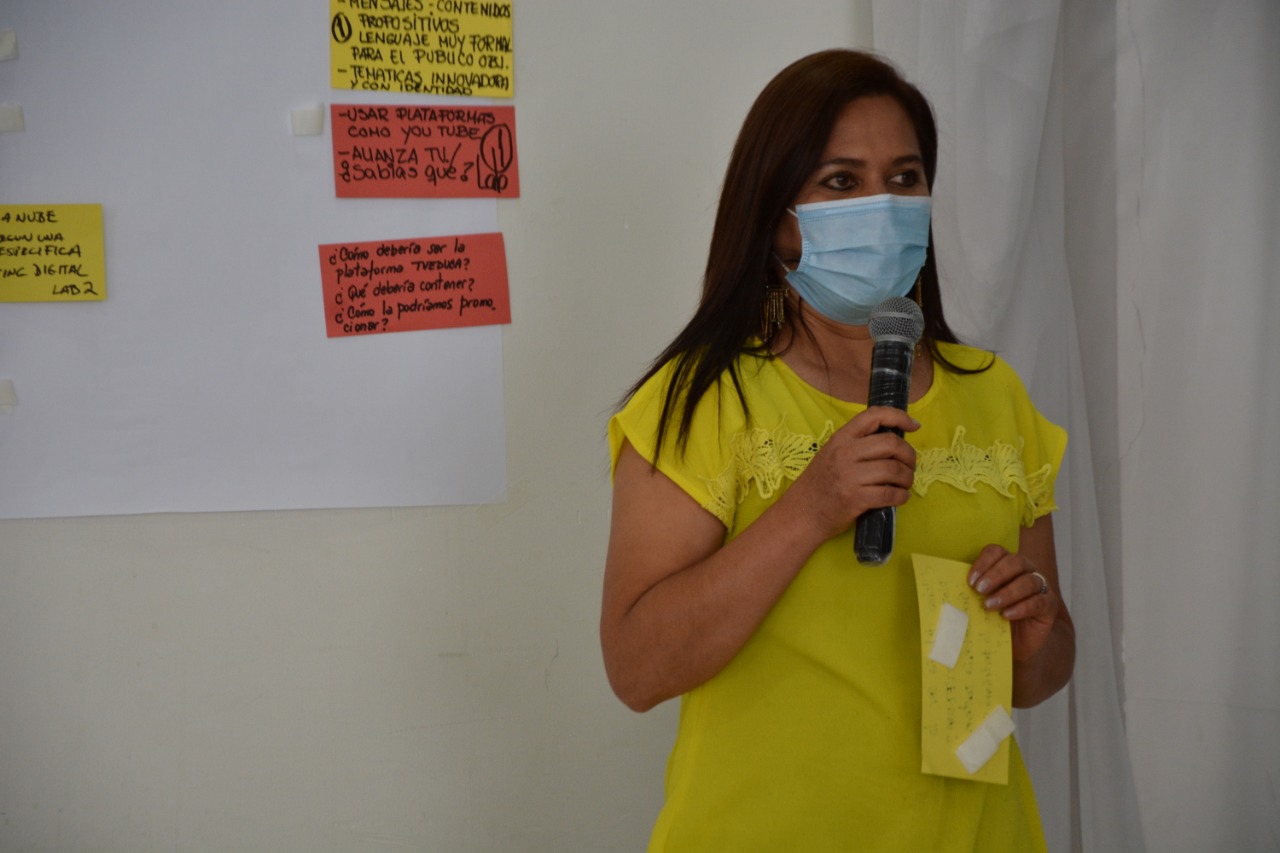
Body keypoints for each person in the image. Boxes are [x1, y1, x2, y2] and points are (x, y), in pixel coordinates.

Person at [601, 49, 1075, 851]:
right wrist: (809, 508)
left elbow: (1046, 666)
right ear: (775, 211)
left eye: (904, 177)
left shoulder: (996, 397)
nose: (882, 205)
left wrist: (1033, 635)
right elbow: (636, 670)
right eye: (842, 181)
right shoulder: (702, 398)